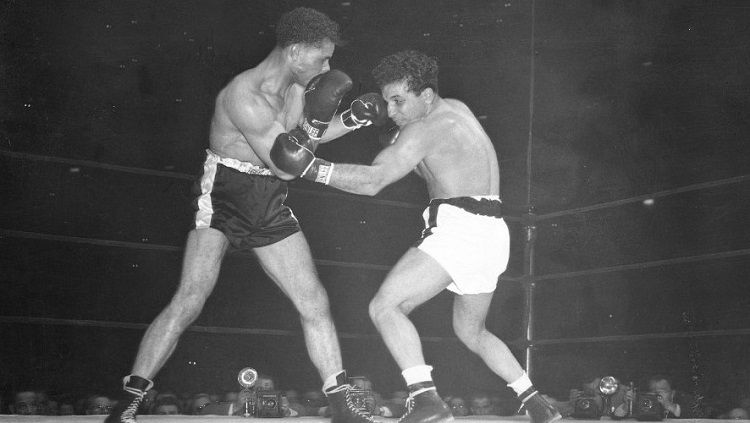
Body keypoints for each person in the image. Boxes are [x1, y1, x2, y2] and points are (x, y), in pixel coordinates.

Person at [105, 7, 387, 423]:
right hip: (225, 192)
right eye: (322, 58)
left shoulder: (294, 88)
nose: (328, 67)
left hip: (269, 195)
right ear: (295, 51)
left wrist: (349, 119)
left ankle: (340, 402)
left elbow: (300, 142)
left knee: (314, 300)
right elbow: (286, 161)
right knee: (189, 298)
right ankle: (129, 399)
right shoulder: (244, 96)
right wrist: (318, 124)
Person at [270, 49, 561, 423]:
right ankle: (536, 401)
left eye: (398, 100)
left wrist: (311, 168)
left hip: (461, 229)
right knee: (471, 331)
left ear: (425, 96)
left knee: (385, 307)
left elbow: (374, 181)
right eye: (388, 99)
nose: (391, 110)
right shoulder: (456, 109)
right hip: (493, 234)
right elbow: (434, 167)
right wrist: (375, 131)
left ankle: (427, 401)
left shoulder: (422, 129)